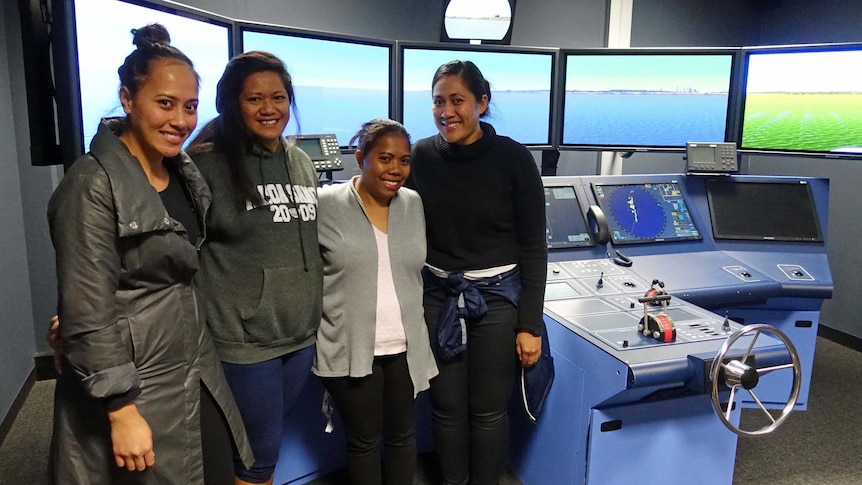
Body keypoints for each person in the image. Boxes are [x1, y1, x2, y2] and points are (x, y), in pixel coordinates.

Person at [46, 24, 252, 485]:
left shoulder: (181, 171)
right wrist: (121, 410)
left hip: (191, 360)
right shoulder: (92, 185)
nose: (180, 119)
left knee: (215, 467)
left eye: (190, 106)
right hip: (132, 379)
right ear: (127, 99)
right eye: (165, 103)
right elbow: (88, 305)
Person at [406, 60, 548, 485]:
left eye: (457, 100)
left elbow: (533, 248)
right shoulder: (422, 157)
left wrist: (530, 325)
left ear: (481, 103)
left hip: (500, 299)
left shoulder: (514, 159)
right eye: (438, 102)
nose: (446, 111)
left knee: (487, 411)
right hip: (439, 295)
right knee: (446, 408)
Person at [186, 51, 323, 485]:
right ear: (231, 104)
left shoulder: (299, 161)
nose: (269, 109)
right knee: (259, 455)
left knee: (254, 443)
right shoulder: (205, 165)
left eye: (279, 97)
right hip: (246, 340)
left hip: (300, 333)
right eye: (254, 99)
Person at [313, 119, 439, 485]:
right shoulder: (326, 203)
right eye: (385, 158)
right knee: (365, 442)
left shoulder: (412, 203)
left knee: (403, 439)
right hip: (349, 346)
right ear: (359, 158)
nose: (395, 170)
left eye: (404, 160)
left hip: (405, 346)